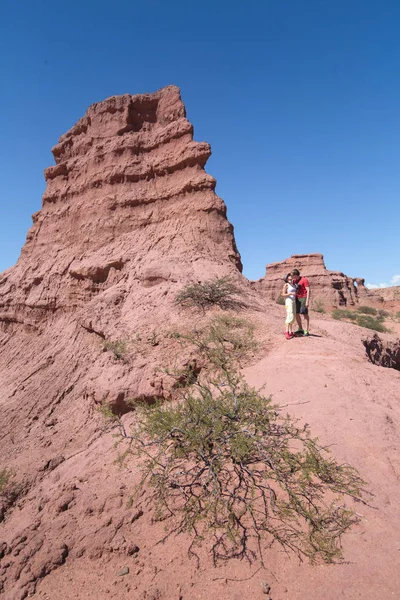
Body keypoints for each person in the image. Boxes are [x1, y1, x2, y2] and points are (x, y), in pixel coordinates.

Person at [291, 269, 310, 336]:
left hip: (303, 298)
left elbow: (308, 290)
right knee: (296, 313)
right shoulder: (294, 281)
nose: (291, 277)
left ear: (296, 275)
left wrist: (307, 301)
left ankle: (306, 330)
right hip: (297, 298)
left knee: (304, 313)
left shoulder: (304, 280)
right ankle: (300, 329)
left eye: (292, 275)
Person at [281, 273, 297, 340]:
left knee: (293, 315)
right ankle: (286, 331)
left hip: (293, 301)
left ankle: (290, 331)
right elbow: (283, 294)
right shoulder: (286, 285)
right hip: (288, 301)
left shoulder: (293, 285)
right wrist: (290, 293)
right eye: (289, 278)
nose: (290, 279)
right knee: (289, 315)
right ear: (287, 279)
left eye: (291, 278)